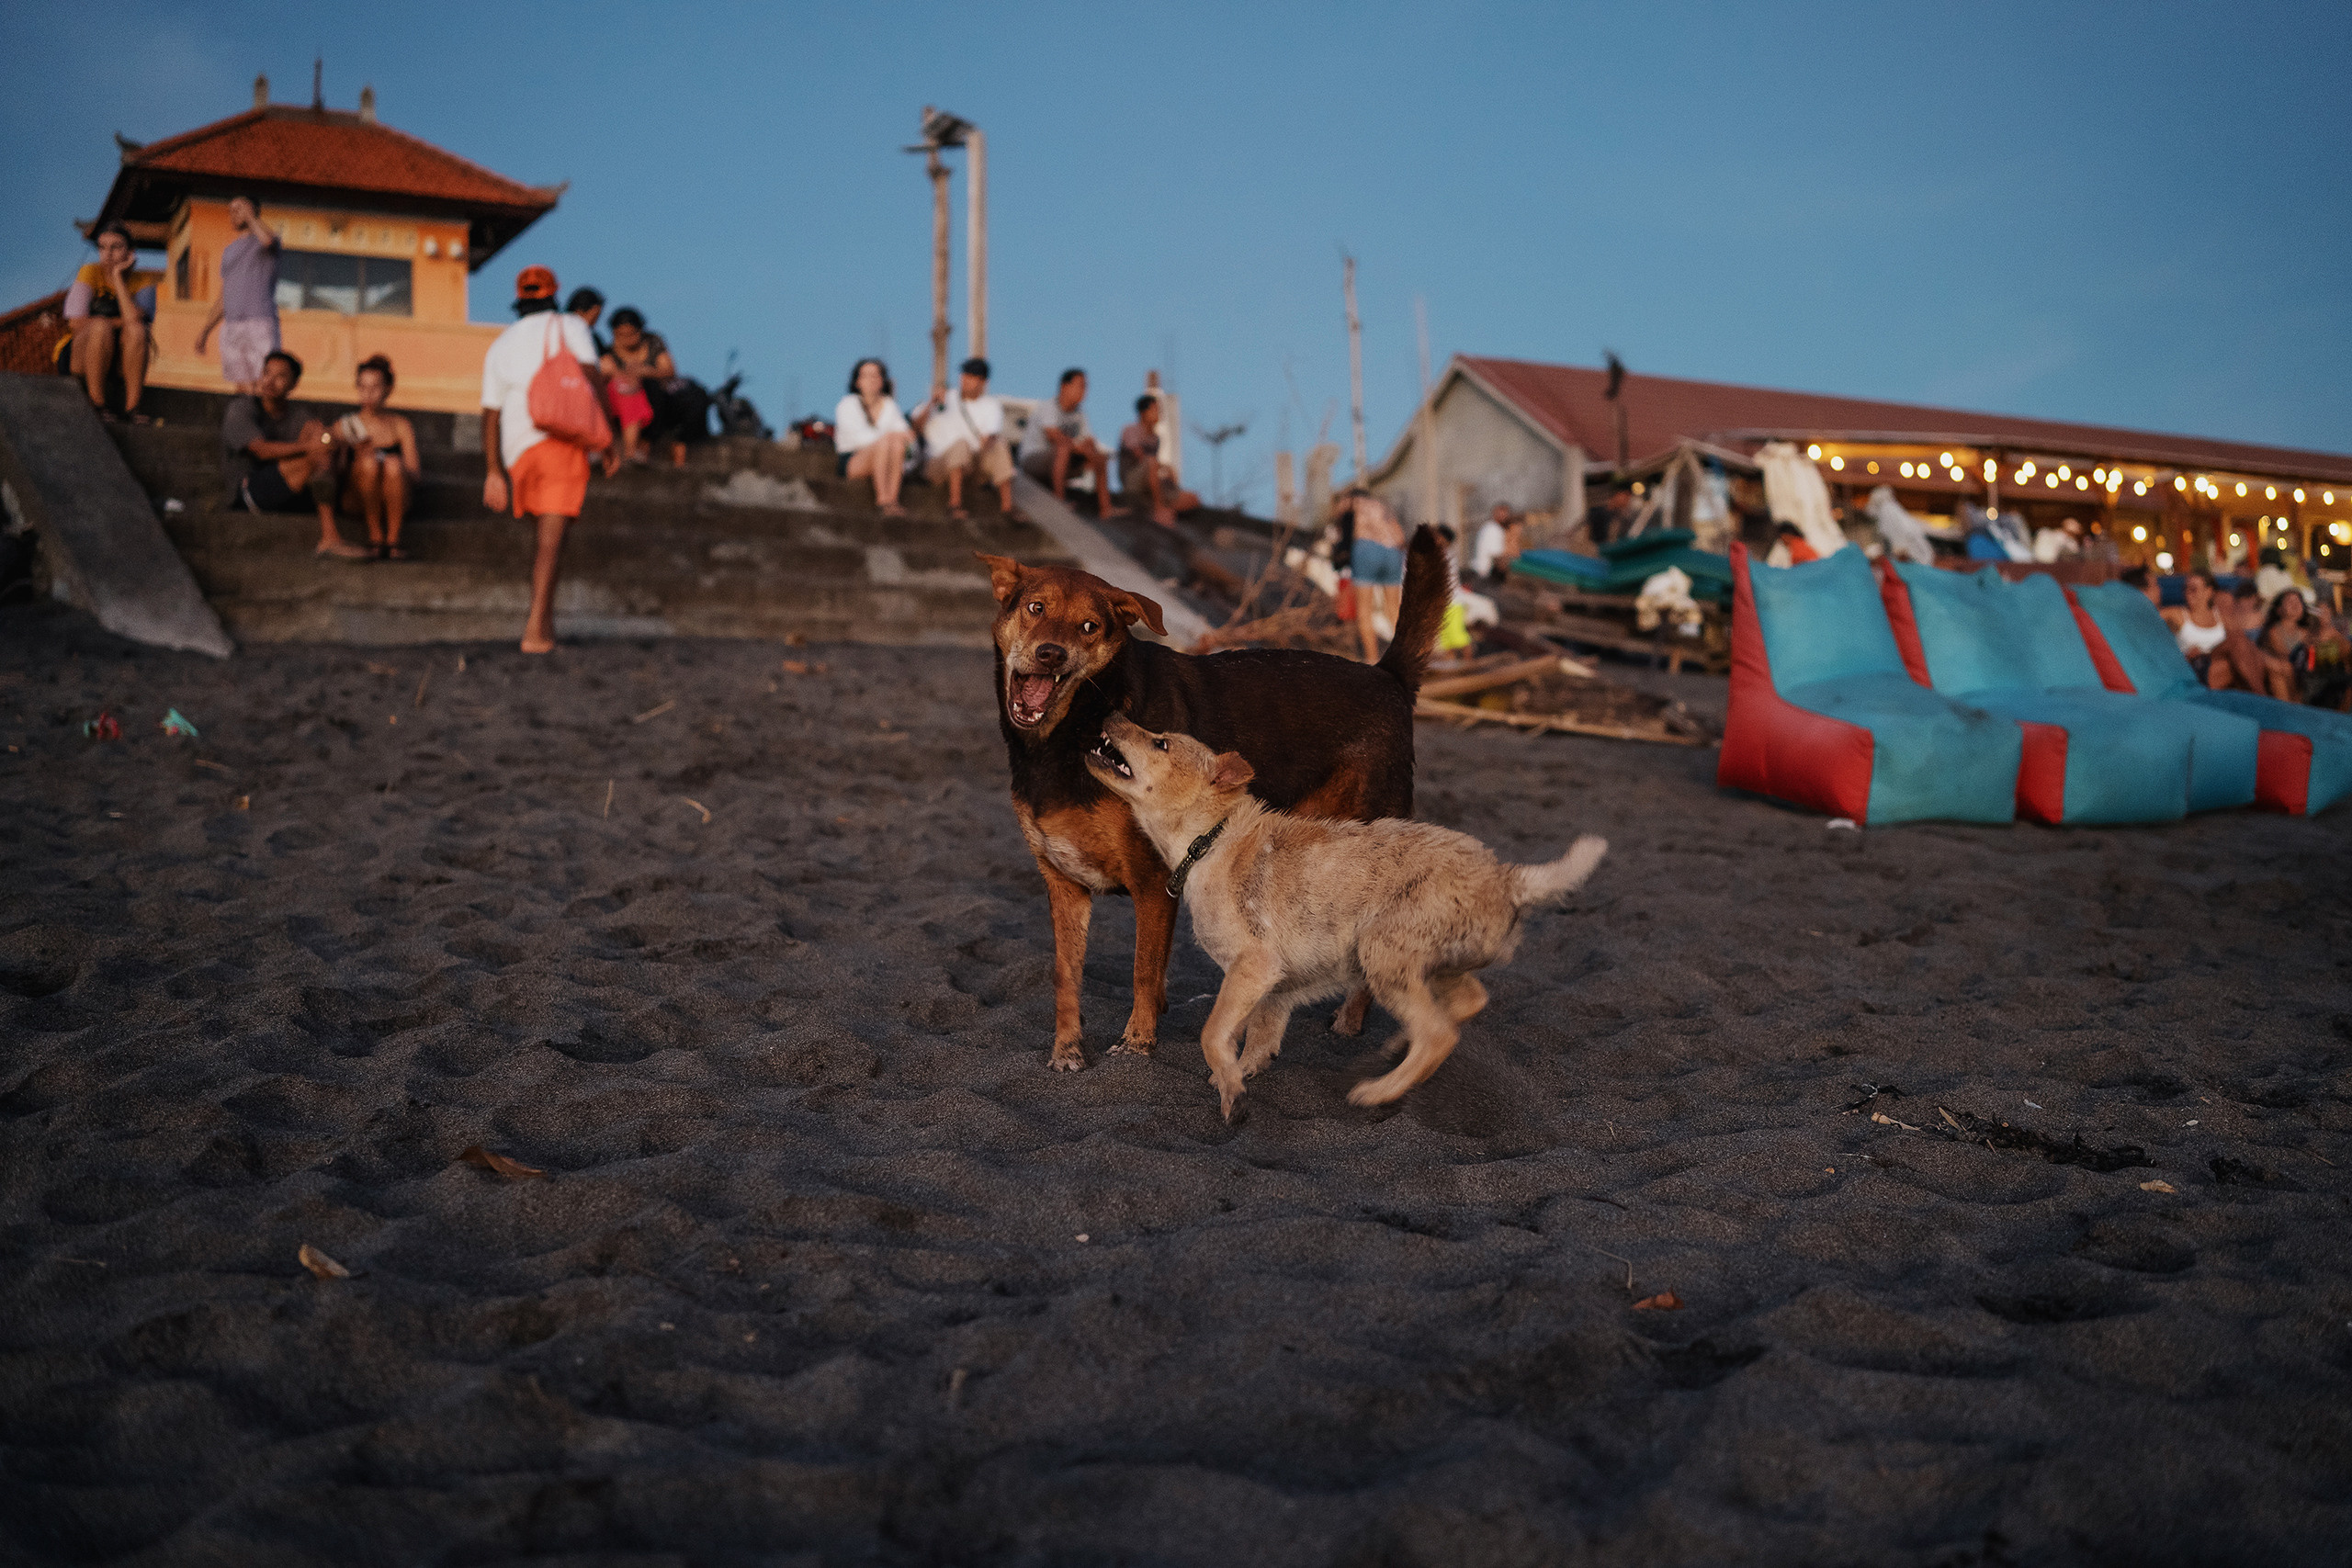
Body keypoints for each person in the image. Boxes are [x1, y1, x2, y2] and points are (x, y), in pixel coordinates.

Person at [481, 265, 606, 653]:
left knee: (548, 539)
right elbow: (590, 377)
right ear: (554, 296)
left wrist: (493, 472)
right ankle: (536, 629)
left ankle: (545, 625)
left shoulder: (500, 344)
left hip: (517, 448)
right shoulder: (570, 326)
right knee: (551, 542)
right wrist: (609, 437)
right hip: (558, 438)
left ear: (519, 302)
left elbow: (490, 413)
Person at [221, 349, 372, 558]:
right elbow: (260, 450)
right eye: (267, 373)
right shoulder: (242, 409)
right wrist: (310, 448)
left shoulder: (298, 415)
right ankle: (329, 539)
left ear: (293, 385)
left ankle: (371, 538)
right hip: (249, 493)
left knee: (326, 449)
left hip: (291, 494)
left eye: (280, 376)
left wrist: (329, 439)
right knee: (316, 456)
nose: (270, 381)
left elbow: (320, 437)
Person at [64, 224, 162, 422]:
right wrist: (113, 323)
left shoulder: (144, 280)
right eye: (102, 248)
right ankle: (98, 404)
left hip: (120, 358)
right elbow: (75, 322)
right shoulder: (89, 272)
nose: (107, 254)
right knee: (100, 326)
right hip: (83, 354)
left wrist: (117, 278)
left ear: (130, 252)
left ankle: (133, 408)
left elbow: (136, 321)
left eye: (116, 247)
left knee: (137, 331)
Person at [192, 195, 281, 396]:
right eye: (231, 210)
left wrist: (251, 218)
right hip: (232, 326)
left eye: (239, 208)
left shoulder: (267, 240)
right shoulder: (229, 251)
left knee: (264, 384)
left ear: (254, 210)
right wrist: (205, 331)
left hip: (260, 322)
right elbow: (225, 296)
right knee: (241, 387)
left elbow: (267, 240)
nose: (234, 214)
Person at [335, 355, 419, 560]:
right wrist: (351, 452)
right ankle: (375, 537)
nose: (368, 393)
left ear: (388, 388)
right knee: (368, 463)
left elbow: (416, 475)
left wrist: (391, 467)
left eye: (375, 387)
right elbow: (336, 475)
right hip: (357, 499)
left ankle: (393, 541)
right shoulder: (345, 425)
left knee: (392, 463)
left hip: (394, 498)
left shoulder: (401, 425)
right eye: (363, 387)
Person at [912, 356, 1015, 521]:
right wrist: (932, 403)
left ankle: (1007, 508)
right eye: (965, 375)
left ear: (983, 382)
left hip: (972, 465)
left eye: (972, 376)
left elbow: (989, 438)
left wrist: (986, 444)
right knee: (961, 445)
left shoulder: (991, 405)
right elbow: (915, 427)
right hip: (937, 465)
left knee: (1000, 445)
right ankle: (955, 505)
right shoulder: (945, 398)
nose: (966, 380)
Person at [1018, 368, 1125, 516]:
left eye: (1086, 386)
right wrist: (1079, 448)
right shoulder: (1049, 406)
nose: (1084, 390)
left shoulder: (1080, 413)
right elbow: (1053, 436)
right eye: (1081, 385)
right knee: (1063, 449)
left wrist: (1088, 450)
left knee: (1099, 458)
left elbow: (1089, 441)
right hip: (1033, 461)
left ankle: (1105, 508)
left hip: (1062, 461)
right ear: (1064, 387)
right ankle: (1059, 502)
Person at [834, 358, 913, 516]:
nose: (871, 380)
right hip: (853, 459)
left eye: (876, 376)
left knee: (896, 443)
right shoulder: (847, 404)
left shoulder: (889, 405)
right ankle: (883, 500)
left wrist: (893, 437)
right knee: (887, 442)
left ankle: (892, 500)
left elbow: (906, 435)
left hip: (885, 454)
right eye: (866, 376)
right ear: (857, 382)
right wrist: (888, 436)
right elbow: (857, 439)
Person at [600, 308, 674, 473]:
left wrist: (646, 371)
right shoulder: (607, 353)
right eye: (621, 335)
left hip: (653, 403)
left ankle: (635, 450)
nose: (627, 339)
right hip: (617, 403)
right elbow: (604, 373)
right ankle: (629, 451)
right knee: (626, 389)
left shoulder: (654, 342)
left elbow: (669, 370)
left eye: (631, 334)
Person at [2261, 589, 2352, 709]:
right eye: (2289, 601)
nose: (2295, 604)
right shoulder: (2274, 631)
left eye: (2299, 601)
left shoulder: (2306, 632)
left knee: (2336, 644)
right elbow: (2286, 656)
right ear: (2279, 610)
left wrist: (2325, 627)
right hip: (2293, 677)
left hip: (2312, 673)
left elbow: (2329, 644)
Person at [1346, 486, 1408, 663]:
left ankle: (1372, 659)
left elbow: (1342, 529)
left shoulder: (1352, 502)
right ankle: (1404, 655)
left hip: (1366, 548)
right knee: (1394, 609)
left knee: (1365, 610)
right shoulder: (1382, 506)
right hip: (1392, 553)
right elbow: (1400, 538)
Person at [1117, 394, 1192, 526]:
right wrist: (1161, 466)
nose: (1159, 413)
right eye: (1155, 409)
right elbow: (1139, 456)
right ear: (1143, 413)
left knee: (1192, 498)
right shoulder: (1130, 430)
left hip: (1148, 483)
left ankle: (1165, 508)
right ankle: (1159, 510)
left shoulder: (1156, 439)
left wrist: (1167, 473)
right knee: (1151, 462)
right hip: (1131, 481)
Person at [1471, 502, 1523, 585]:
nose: (1504, 516)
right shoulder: (1493, 529)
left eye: (1506, 513)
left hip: (1486, 575)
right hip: (1485, 575)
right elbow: (1497, 558)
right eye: (1501, 513)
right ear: (1494, 514)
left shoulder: (1493, 528)